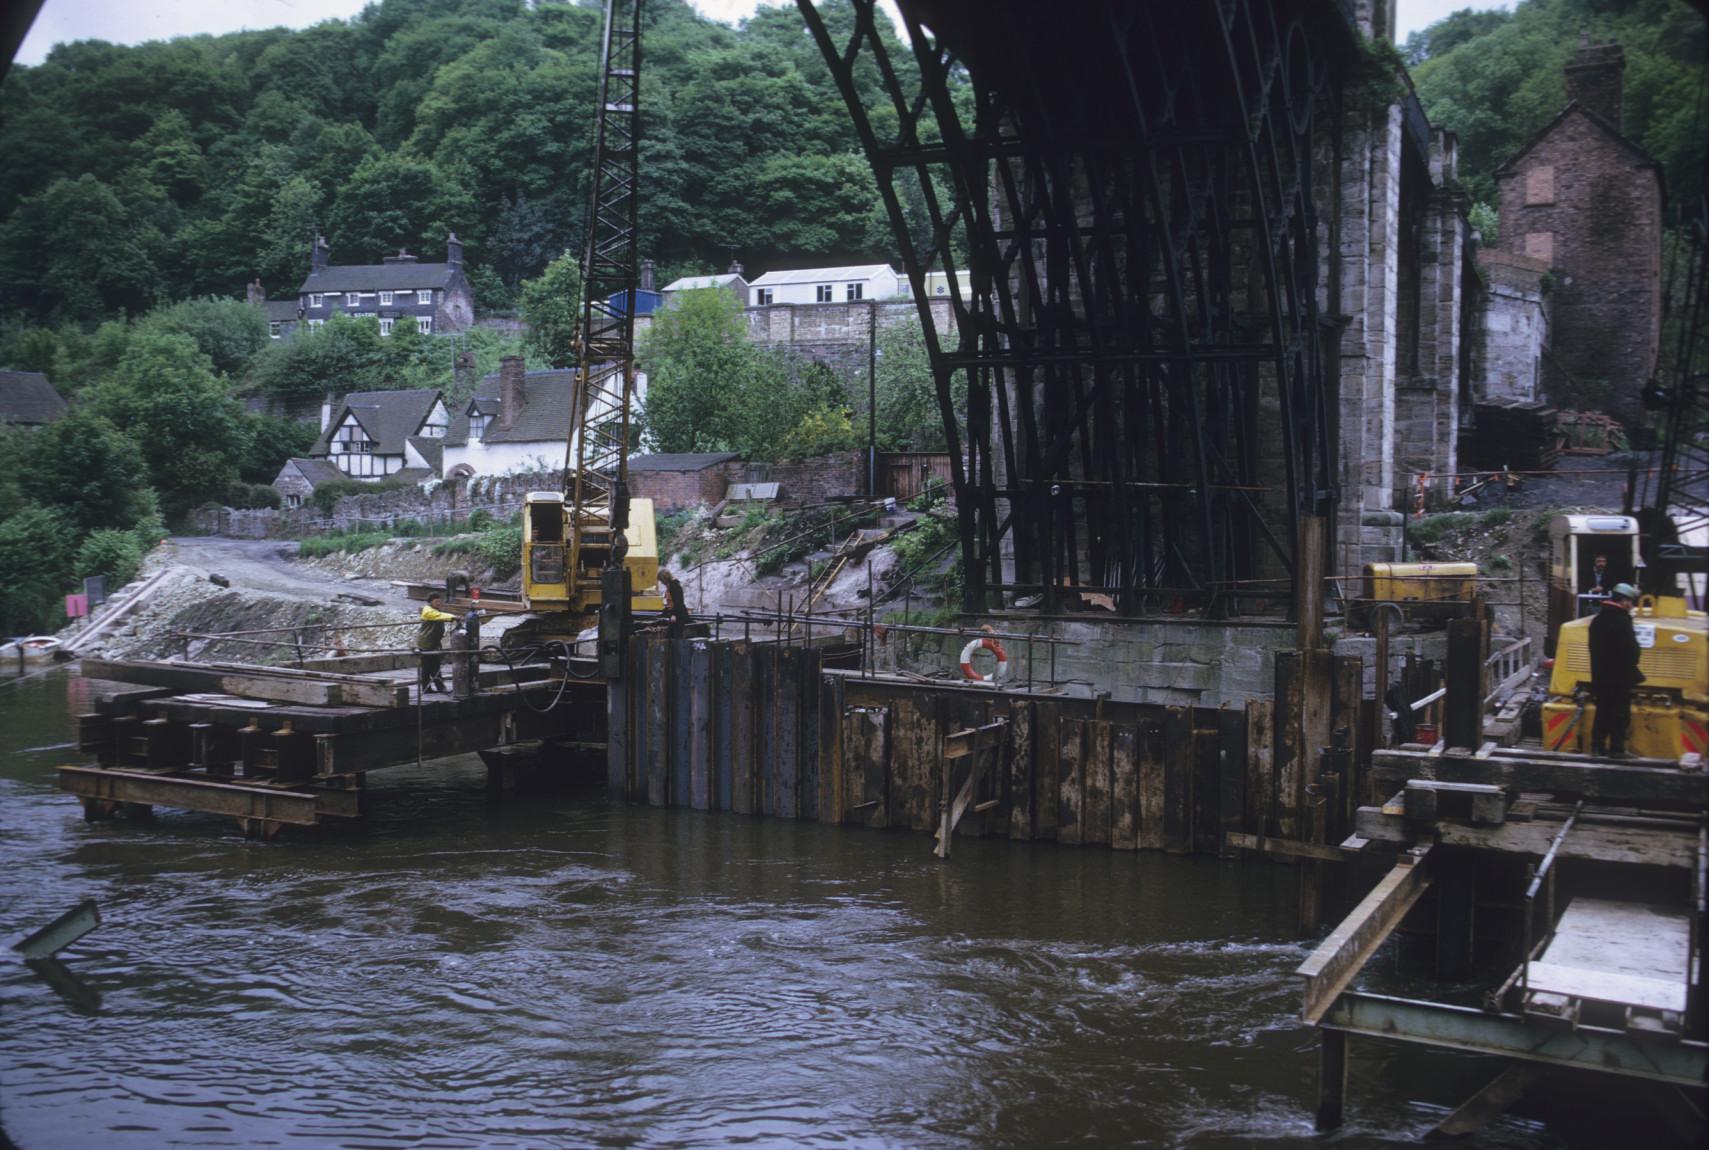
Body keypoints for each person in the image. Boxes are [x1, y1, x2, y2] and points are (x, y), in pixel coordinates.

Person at [1588, 582, 1644, 757]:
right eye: (1631, 602)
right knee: (1619, 714)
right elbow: (1632, 651)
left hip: (1600, 676)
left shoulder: (1597, 621)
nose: (1631, 606)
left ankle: (1597, 747)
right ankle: (1617, 749)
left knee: (1602, 711)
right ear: (1624, 601)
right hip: (1620, 678)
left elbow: (1593, 649)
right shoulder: (1623, 621)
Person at [417, 592, 458, 694]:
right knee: (434, 666)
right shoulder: (427, 610)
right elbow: (437, 616)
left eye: (440, 601)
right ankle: (440, 687)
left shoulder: (436, 610)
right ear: (431, 602)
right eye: (436, 601)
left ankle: (426, 689)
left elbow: (440, 616)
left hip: (433, 642)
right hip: (427, 643)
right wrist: (452, 617)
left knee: (427, 667)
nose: (439, 603)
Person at [657, 569, 692, 639]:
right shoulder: (670, 586)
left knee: (676, 636)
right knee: (670, 635)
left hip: (679, 616)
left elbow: (679, 602)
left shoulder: (674, 585)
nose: (661, 583)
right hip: (676, 615)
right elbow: (671, 602)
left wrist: (674, 614)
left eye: (661, 580)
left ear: (664, 579)